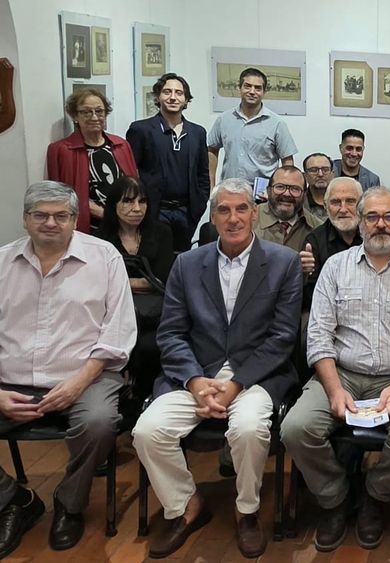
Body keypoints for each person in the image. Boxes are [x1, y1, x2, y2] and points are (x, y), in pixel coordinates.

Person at [132, 178, 302, 559]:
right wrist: (194, 382)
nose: (233, 217)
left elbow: (282, 337)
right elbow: (172, 332)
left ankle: (247, 511)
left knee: (248, 428)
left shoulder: (283, 262)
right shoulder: (187, 264)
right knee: (147, 431)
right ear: (213, 216)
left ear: (255, 214)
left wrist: (237, 383)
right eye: (224, 210)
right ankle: (186, 506)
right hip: (195, 374)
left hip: (256, 375)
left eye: (241, 208)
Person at [281, 187, 390, 552]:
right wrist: (335, 390)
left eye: (389, 217)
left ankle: (374, 494)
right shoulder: (335, 267)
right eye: (372, 217)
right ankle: (335, 497)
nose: (381, 224)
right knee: (295, 428)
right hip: (342, 373)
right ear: (361, 221)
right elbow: (318, 334)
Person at [0, 181, 136, 555]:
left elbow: (119, 332)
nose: (51, 223)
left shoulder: (104, 257)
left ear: (75, 220)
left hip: (87, 375)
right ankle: (14, 500)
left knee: (98, 421)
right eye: (40, 215)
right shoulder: (2, 262)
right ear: (25, 220)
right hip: (9, 380)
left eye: (61, 216)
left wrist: (79, 383)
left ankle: (69, 504)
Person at [97, 176, 175, 402]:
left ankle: (144, 396)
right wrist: (137, 283)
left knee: (149, 346)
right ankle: (120, 396)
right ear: (113, 205)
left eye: (142, 202)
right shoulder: (100, 239)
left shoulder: (161, 232)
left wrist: (119, 283)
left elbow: (161, 281)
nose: (137, 208)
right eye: (128, 202)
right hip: (113, 315)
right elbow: (99, 284)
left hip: (154, 314)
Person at [126, 72, 210, 251]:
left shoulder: (198, 133)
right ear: (158, 97)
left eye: (179, 93)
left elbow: (202, 173)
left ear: (186, 100)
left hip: (187, 212)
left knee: (182, 262)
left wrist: (200, 204)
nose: (173, 97)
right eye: (167, 92)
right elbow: (130, 173)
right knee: (154, 262)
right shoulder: (141, 130)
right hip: (154, 211)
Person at [46, 88, 138, 234]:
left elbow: (134, 186)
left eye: (99, 111)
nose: (94, 117)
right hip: (88, 227)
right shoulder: (61, 150)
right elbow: (61, 196)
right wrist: (105, 214)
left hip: (125, 225)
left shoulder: (121, 145)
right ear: (75, 116)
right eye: (86, 112)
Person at [207, 67, 297, 185]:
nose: (252, 91)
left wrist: (282, 189)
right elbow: (211, 150)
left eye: (258, 88)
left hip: (263, 195)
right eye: (247, 86)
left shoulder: (277, 124)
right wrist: (211, 186)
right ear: (239, 88)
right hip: (230, 192)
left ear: (264, 92)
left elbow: (287, 161)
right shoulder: (224, 119)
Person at [301, 177, 364, 305]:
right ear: (325, 206)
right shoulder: (314, 241)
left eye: (350, 201)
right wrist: (304, 276)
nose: (343, 209)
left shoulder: (373, 235)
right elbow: (310, 298)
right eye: (336, 202)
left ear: (362, 205)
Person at [253, 165, 322, 250]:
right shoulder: (249, 219)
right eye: (280, 187)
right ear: (268, 191)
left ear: (304, 194)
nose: (287, 194)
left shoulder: (318, 228)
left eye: (295, 189)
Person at [302, 152, 335, 220]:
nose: (320, 174)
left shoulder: (343, 200)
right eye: (314, 170)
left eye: (325, 170)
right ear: (305, 176)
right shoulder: (299, 202)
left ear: (332, 174)